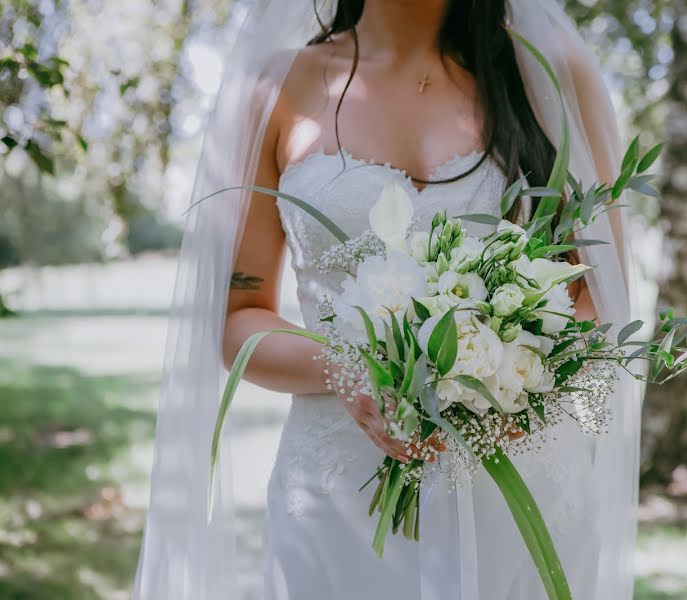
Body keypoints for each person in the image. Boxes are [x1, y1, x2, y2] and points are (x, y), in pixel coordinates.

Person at [133, 1, 640, 598]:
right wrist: (351, 367)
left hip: (520, 485)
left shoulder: (548, 73)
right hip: (335, 495)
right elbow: (237, 320)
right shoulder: (275, 86)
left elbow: (597, 299)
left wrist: (507, 375)